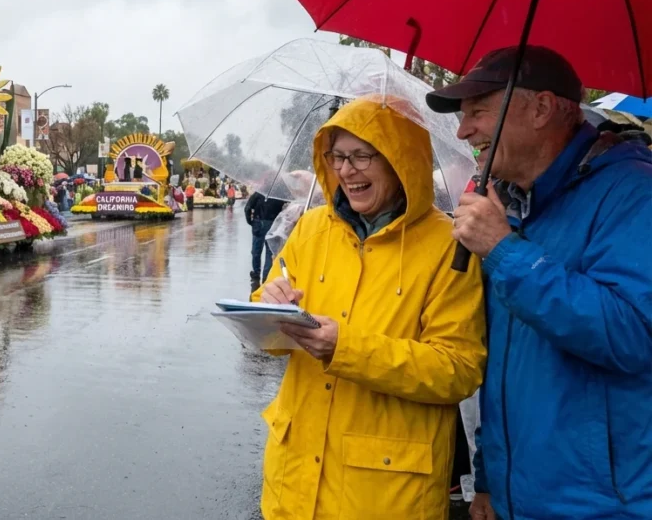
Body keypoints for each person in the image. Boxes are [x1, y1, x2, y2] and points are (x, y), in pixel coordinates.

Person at [425, 46, 652, 520]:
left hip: (603, 504)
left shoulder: (634, 192)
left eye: (479, 112)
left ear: (543, 108)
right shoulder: (514, 203)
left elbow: (632, 334)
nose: (464, 131)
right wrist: (486, 475)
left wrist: (504, 252)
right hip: (517, 496)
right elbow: (506, 364)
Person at [253, 96, 486, 519]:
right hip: (292, 484)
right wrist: (267, 306)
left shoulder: (448, 246)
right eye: (338, 156)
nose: (345, 170)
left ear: (401, 160)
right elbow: (268, 329)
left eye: (362, 155)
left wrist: (346, 349)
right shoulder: (310, 228)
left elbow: (458, 370)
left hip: (386, 495)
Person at [245, 188, 286, 285]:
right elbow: (284, 211)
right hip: (273, 225)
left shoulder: (259, 193)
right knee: (269, 252)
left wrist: (250, 222)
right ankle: (266, 276)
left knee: (256, 251)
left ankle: (256, 273)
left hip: (258, 224)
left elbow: (247, 208)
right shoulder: (279, 196)